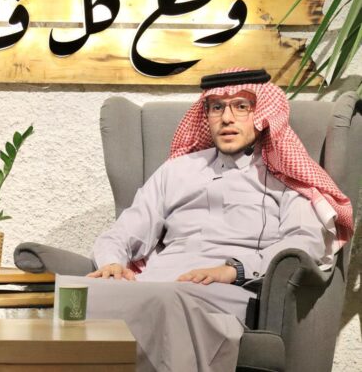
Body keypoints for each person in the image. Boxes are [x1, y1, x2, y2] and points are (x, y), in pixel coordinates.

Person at [69, 68, 353, 371]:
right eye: (217, 107)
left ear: (261, 113)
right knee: (73, 296)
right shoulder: (176, 171)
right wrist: (112, 263)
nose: (226, 118)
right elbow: (123, 231)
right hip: (155, 284)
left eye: (241, 106)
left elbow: (304, 243)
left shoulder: (285, 175)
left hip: (227, 290)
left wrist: (234, 270)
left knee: (167, 302)